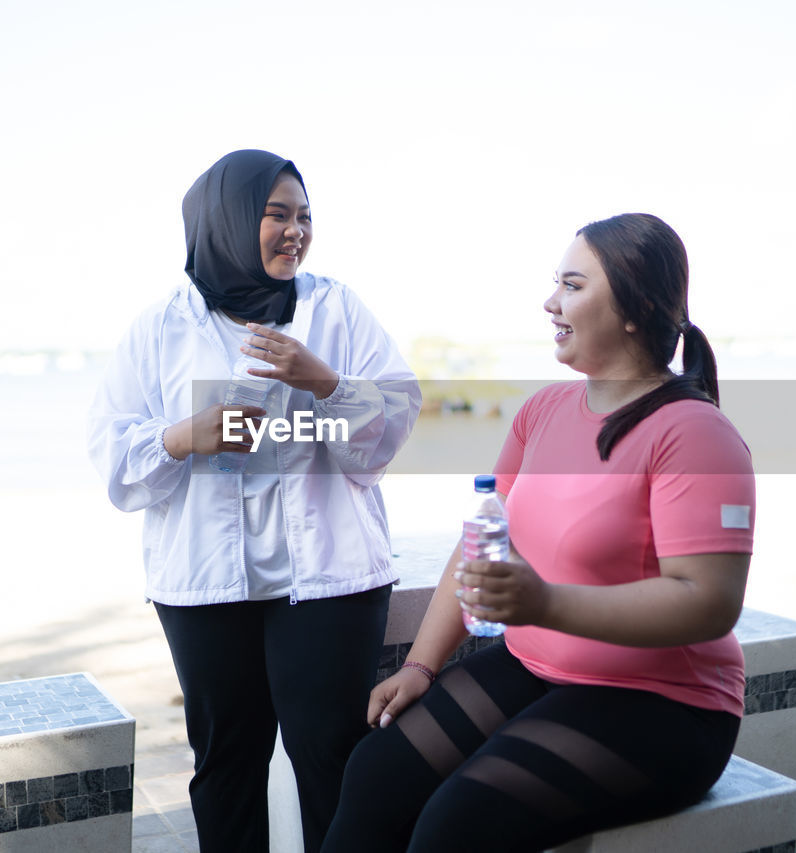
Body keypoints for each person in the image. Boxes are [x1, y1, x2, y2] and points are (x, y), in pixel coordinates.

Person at [323, 213, 756, 853]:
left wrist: (544, 602)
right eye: (556, 283)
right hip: (538, 667)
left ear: (634, 309)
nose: (550, 302)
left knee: (458, 826)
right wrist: (422, 663)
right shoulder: (543, 411)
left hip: (665, 704)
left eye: (573, 286)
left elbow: (710, 601)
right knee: (375, 773)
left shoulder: (695, 433)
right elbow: (480, 543)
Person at [87, 149, 420, 853]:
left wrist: (323, 380)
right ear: (229, 220)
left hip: (330, 579)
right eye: (277, 213)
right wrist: (186, 436)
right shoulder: (159, 329)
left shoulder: (336, 308)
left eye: (305, 216)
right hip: (205, 585)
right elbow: (114, 463)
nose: (295, 230)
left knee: (334, 760)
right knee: (226, 768)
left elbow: (387, 436)